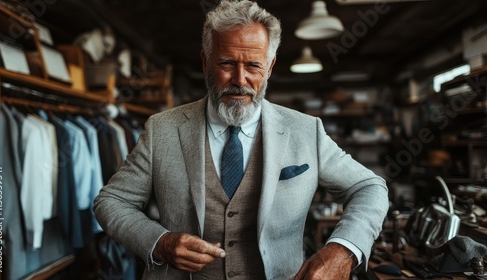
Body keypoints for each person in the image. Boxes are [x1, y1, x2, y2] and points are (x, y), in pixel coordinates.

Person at [93, 1, 389, 279]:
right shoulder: (162, 129)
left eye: (253, 66)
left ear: (270, 67)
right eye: (226, 63)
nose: (239, 79)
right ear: (205, 60)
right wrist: (159, 242)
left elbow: (369, 187)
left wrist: (344, 249)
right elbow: (111, 201)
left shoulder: (305, 131)